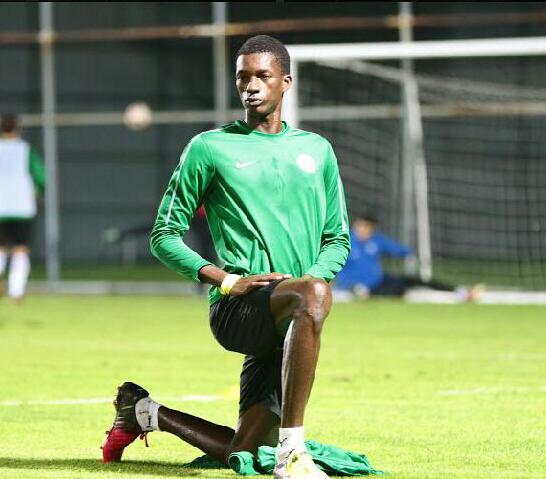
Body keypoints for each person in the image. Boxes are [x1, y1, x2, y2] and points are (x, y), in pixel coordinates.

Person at [101, 35, 350, 479]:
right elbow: (163, 235)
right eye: (242, 77)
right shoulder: (209, 147)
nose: (251, 85)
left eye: (262, 76)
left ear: (285, 82)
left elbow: (337, 239)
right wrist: (224, 279)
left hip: (290, 316)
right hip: (239, 307)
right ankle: (294, 452)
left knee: (246, 450)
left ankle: (143, 412)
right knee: (311, 295)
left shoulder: (317, 150)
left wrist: (307, 286)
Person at [335, 216, 477, 300]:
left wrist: (410, 255)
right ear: (356, 226)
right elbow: (336, 270)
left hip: (380, 281)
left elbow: (396, 248)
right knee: (405, 293)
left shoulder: (376, 240)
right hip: (363, 289)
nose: (366, 231)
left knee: (418, 281)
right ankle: (455, 296)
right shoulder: (345, 243)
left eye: (369, 228)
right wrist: (352, 286)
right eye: (363, 227)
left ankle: (460, 292)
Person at [0, 114, 45, 303]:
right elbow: (41, 177)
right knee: (20, 249)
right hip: (22, 208)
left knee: (1, 249)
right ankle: (16, 292)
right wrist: (38, 192)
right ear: (18, 129)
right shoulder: (26, 150)